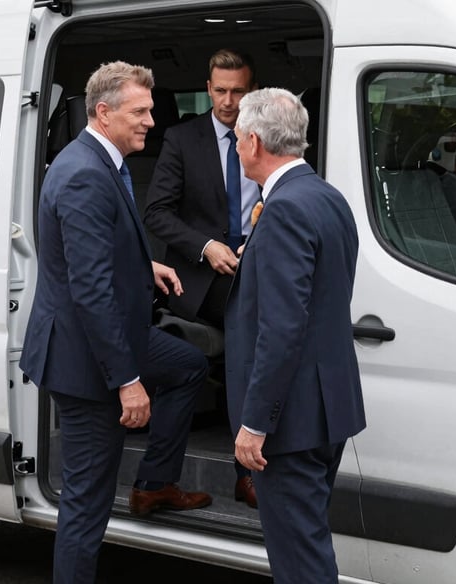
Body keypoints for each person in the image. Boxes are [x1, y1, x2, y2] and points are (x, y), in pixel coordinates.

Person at [19, 61, 212, 584]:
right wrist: (128, 381)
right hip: (87, 364)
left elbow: (92, 251)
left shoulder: (100, 161)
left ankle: (156, 481)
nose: (152, 121)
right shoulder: (84, 172)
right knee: (86, 505)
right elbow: (90, 288)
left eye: (150, 110)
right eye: (141, 111)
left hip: (113, 339)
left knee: (189, 365)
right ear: (103, 113)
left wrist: (142, 264)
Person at [224, 88, 366, 584]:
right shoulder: (327, 197)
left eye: (239, 138)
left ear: (256, 142)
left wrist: (255, 422)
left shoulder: (283, 209)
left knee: (300, 562)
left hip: (289, 423)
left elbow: (282, 328)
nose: (237, 147)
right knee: (308, 544)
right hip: (326, 410)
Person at [143, 48, 259, 508]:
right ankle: (245, 472)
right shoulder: (182, 138)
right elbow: (156, 212)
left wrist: (263, 228)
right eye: (221, 90)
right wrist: (205, 246)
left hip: (255, 263)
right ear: (208, 88)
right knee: (249, 341)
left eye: (238, 91)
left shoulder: (263, 132)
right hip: (201, 280)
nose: (228, 101)